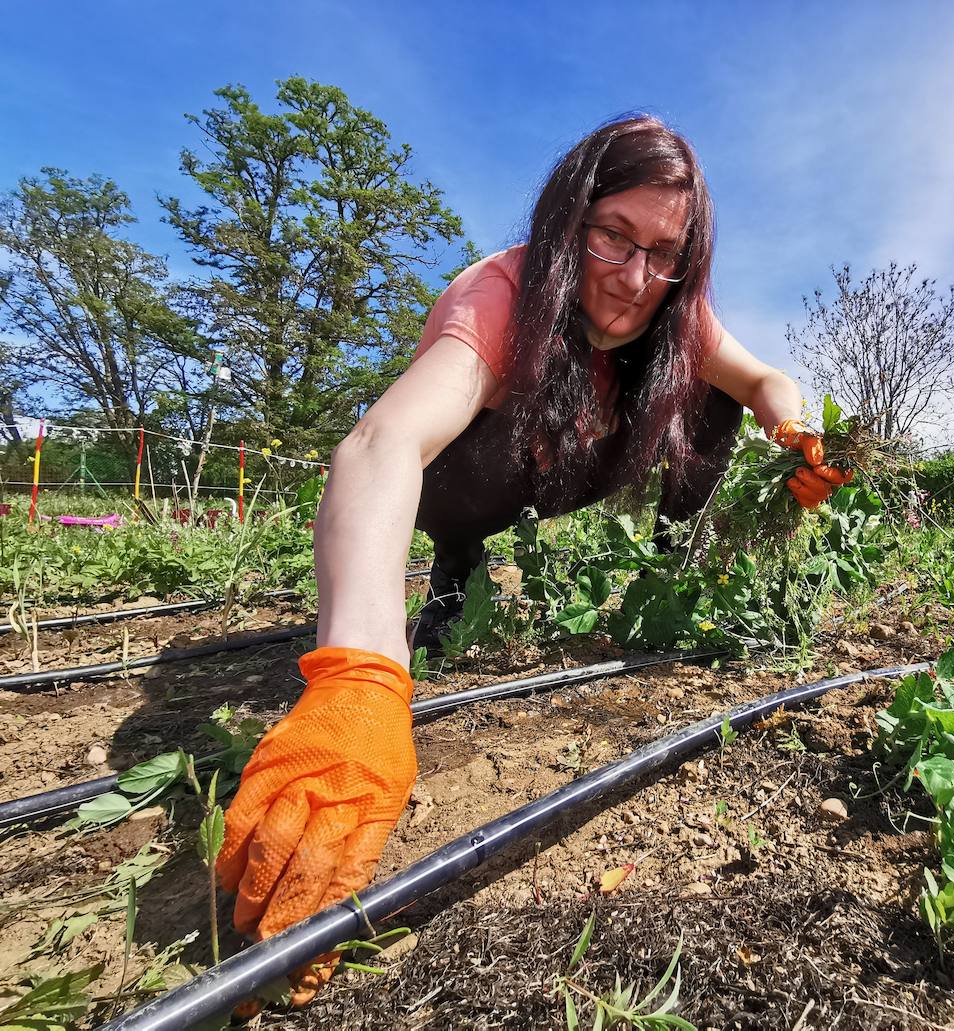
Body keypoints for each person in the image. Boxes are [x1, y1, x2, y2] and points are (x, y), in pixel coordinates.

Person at [213, 113, 853, 998]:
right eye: (612, 236)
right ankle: (454, 572)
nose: (635, 278)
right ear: (568, 219)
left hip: (571, 472)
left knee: (710, 398)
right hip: (472, 478)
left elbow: (760, 378)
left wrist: (796, 427)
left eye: (664, 252)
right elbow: (381, 445)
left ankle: (676, 570)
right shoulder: (500, 295)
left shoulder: (673, 304)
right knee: (451, 455)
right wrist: (358, 674)